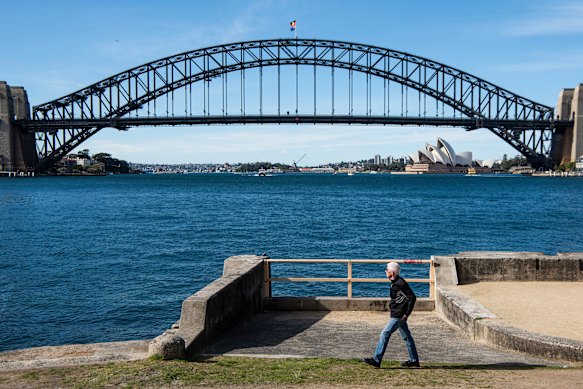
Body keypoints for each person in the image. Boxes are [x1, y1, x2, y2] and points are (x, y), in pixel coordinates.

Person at [363, 261, 420, 368]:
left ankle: (376, 360)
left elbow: (412, 297)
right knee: (407, 337)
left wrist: (406, 314)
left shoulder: (400, 283)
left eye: (387, 270)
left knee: (385, 334)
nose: (385, 271)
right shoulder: (395, 282)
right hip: (398, 313)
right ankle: (414, 360)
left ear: (392, 273)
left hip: (398, 315)